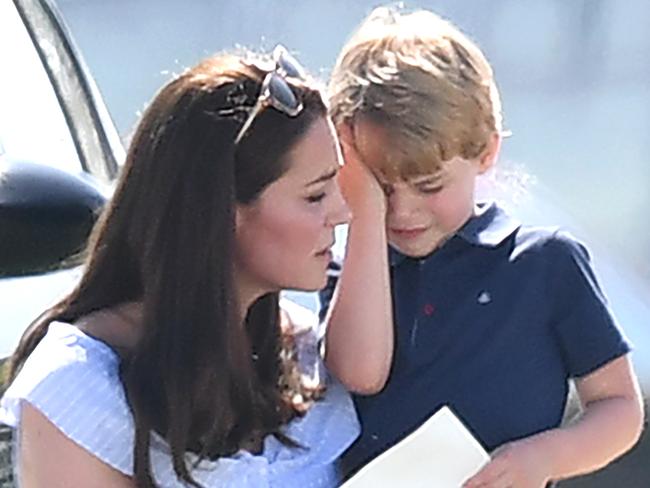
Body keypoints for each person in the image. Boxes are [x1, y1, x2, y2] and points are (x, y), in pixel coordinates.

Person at [0, 45, 358, 487]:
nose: (343, 213)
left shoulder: (301, 349)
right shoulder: (78, 388)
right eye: (316, 195)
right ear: (222, 212)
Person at [320, 7, 644, 487]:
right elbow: (362, 373)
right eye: (381, 188)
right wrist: (363, 213)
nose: (403, 212)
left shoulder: (544, 263)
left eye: (429, 186)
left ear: (486, 152)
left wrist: (544, 458)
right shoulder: (350, 273)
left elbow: (619, 408)